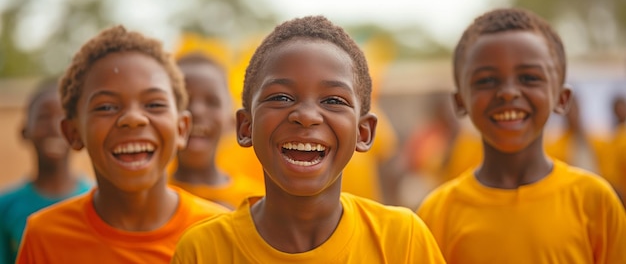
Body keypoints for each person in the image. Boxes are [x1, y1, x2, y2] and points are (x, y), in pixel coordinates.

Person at [171, 16, 445, 263]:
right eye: (280, 97)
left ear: (364, 132)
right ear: (245, 127)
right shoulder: (204, 250)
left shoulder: (402, 240)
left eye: (333, 100)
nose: (306, 116)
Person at [417, 8, 626, 264]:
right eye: (486, 81)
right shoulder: (438, 213)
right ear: (460, 102)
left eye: (529, 77)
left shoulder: (594, 201)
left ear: (562, 99)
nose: (508, 93)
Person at [16, 25, 229, 263]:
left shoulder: (220, 236)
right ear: (73, 133)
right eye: (106, 107)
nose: (133, 119)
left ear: (181, 128)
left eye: (154, 104)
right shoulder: (45, 236)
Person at [0, 79, 92, 263]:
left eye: (62, 117)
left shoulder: (99, 202)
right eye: (43, 117)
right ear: (25, 131)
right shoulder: (5, 207)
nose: (54, 127)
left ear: (75, 132)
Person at [170, 52, 264, 209]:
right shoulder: (145, 194)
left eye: (212, 102)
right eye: (183, 100)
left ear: (233, 120)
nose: (197, 111)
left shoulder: (256, 202)